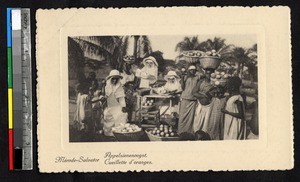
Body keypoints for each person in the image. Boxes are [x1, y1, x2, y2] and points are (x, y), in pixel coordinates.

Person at [103, 70, 128, 136]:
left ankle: (118, 133)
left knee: (120, 116)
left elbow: (121, 98)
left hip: (117, 106)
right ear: (110, 79)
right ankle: (109, 134)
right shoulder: (107, 87)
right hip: (110, 106)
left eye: (116, 79)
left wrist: (123, 106)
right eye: (113, 79)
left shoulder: (119, 88)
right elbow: (106, 96)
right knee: (107, 117)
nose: (114, 80)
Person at [178, 65, 199, 135]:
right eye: (191, 70)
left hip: (193, 100)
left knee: (191, 118)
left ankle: (189, 133)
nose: (192, 71)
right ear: (188, 71)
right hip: (185, 99)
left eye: (194, 70)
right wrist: (182, 77)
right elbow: (183, 87)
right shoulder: (185, 77)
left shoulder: (197, 78)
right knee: (182, 117)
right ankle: (181, 132)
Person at [192, 69, 214, 134]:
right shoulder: (201, 82)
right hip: (200, 106)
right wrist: (203, 96)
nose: (209, 75)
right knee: (197, 124)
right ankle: (196, 136)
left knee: (206, 125)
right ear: (205, 74)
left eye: (210, 74)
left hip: (209, 106)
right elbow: (194, 92)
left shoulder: (213, 83)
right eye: (207, 73)